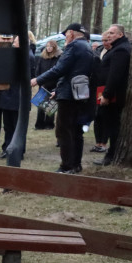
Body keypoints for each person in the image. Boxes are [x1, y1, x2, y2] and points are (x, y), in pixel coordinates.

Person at [32, 22, 96, 174]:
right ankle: (76, 164)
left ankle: (67, 165)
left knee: (63, 130)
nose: (65, 37)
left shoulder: (73, 46)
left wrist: (37, 80)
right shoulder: (87, 47)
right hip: (80, 93)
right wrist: (57, 90)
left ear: (71, 33)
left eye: (66, 34)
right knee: (76, 130)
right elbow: (74, 72)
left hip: (69, 96)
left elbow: (60, 69)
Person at [94, 25, 132, 166]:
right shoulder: (117, 48)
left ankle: (111, 155)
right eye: (108, 33)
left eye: (112, 33)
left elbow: (115, 74)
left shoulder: (121, 50)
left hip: (114, 96)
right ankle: (111, 154)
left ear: (120, 35)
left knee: (112, 126)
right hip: (110, 93)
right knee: (110, 124)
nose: (109, 35)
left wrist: (107, 94)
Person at [0, 36, 36, 160]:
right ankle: (7, 149)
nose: (13, 43)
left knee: (17, 126)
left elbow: (24, 77)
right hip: (8, 95)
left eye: (16, 41)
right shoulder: (16, 55)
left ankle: (18, 151)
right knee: (8, 126)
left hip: (18, 96)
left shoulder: (28, 56)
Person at [33, 39, 62, 130]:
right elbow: (38, 69)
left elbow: (57, 72)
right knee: (40, 106)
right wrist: (39, 80)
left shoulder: (58, 58)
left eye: (51, 46)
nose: (49, 48)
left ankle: (49, 124)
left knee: (50, 106)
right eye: (47, 46)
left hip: (53, 84)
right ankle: (39, 124)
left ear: (54, 47)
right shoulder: (42, 57)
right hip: (43, 84)